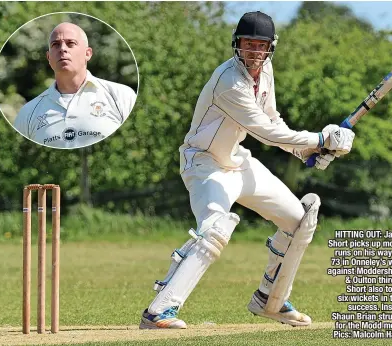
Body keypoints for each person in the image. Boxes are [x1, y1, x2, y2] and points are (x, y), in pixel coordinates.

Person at [139, 11, 355, 330]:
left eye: (261, 45)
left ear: (270, 47)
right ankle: (159, 312)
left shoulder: (265, 70)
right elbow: (262, 132)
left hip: (238, 161)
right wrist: (320, 138)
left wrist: (305, 149)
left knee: (299, 221)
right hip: (204, 163)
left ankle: (271, 300)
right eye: (248, 43)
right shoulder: (228, 80)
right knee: (215, 229)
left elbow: (272, 120)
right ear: (236, 44)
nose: (254, 51)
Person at [13, 22, 137, 149]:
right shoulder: (28, 113)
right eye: (55, 45)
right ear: (49, 57)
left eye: (71, 43)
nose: (62, 49)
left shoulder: (121, 96)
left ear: (87, 53)